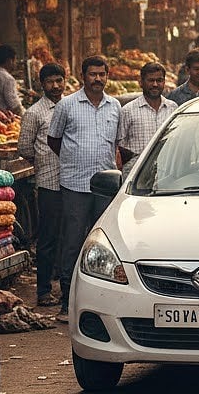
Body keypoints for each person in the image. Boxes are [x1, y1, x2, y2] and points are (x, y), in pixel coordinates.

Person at [47, 55, 122, 324]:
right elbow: (53, 140)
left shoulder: (115, 106)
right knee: (72, 243)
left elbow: (117, 144)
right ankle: (67, 303)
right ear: (83, 76)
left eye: (102, 74)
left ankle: (102, 304)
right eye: (93, 74)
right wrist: (73, 158)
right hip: (75, 185)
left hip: (106, 188)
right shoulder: (67, 106)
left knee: (105, 245)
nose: (98, 79)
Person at [18, 63, 66, 308]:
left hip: (74, 181)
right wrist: (44, 161)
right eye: (50, 82)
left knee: (70, 237)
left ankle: (68, 290)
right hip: (48, 181)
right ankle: (44, 290)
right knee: (47, 238)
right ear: (42, 85)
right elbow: (25, 148)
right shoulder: (35, 113)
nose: (55, 86)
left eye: (59, 80)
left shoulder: (71, 107)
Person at [119, 62, 178, 180]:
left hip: (166, 175)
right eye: (150, 80)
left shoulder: (173, 109)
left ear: (164, 82)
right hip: (136, 177)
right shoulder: (128, 111)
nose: (155, 84)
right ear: (141, 82)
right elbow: (119, 146)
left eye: (159, 80)